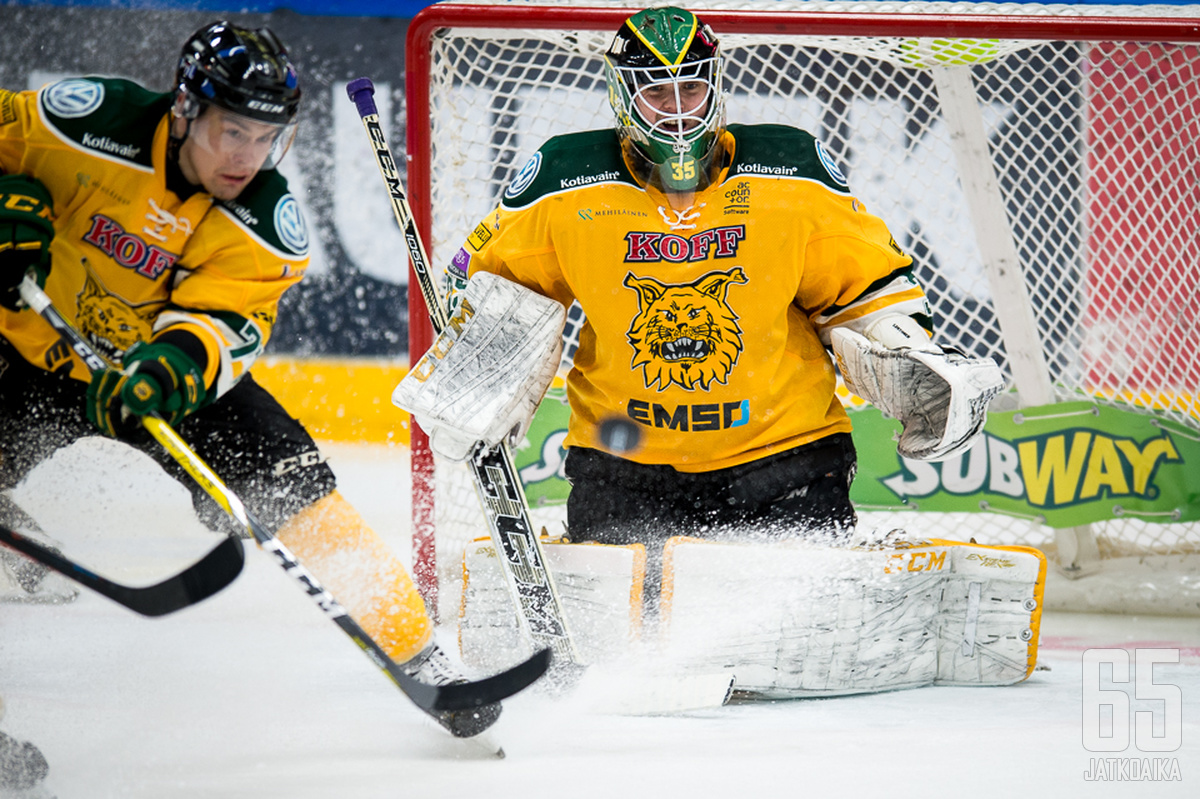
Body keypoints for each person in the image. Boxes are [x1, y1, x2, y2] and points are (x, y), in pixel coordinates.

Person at [397, 7, 1001, 601]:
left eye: (692, 89)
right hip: (624, 461)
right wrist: (481, 367)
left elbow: (864, 285)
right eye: (659, 93)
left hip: (785, 457)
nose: (680, 110)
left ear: (717, 87)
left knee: (789, 624)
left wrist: (903, 346)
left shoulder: (792, 174)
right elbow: (498, 291)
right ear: (622, 96)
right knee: (632, 625)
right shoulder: (563, 181)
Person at [0, 21, 495, 738]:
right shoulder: (88, 121)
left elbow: (224, 323)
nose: (249, 156)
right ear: (184, 109)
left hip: (158, 380)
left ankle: (420, 654)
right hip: (25, 349)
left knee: (297, 488)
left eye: (267, 137)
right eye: (234, 131)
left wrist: (169, 367)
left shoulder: (267, 218)